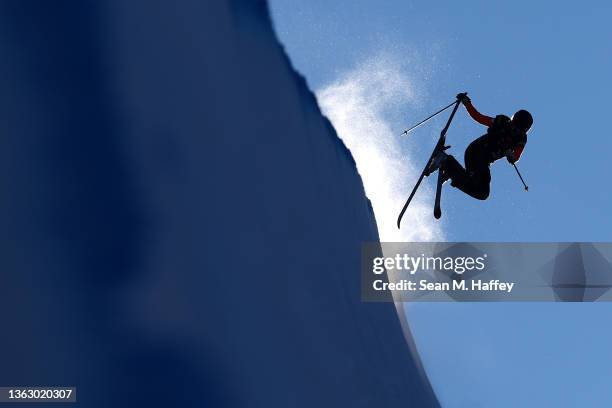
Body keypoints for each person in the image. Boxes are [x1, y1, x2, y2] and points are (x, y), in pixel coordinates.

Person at [429, 93, 533, 200]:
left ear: (523, 131)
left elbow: (516, 156)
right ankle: (446, 162)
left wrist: (511, 156)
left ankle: (452, 170)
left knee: (482, 193)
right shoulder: (502, 122)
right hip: (476, 152)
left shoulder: (521, 140)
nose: (514, 130)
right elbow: (479, 117)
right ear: (512, 121)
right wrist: (467, 104)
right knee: (478, 184)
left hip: (484, 162)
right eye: (513, 125)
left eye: (518, 130)